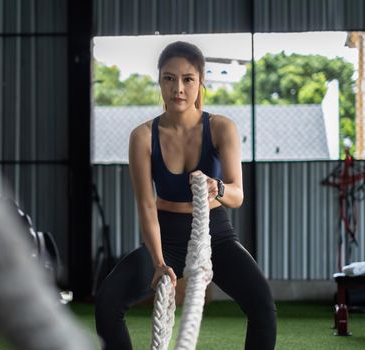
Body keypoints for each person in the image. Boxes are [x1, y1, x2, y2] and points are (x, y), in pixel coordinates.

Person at [95, 41, 277, 350]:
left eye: (187, 79)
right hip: (166, 238)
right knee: (107, 301)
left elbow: (237, 195)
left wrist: (218, 187)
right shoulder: (143, 136)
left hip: (215, 235)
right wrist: (157, 261)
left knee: (263, 308)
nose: (178, 87)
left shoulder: (221, 128)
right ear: (160, 81)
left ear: (200, 81)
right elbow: (146, 204)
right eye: (169, 78)